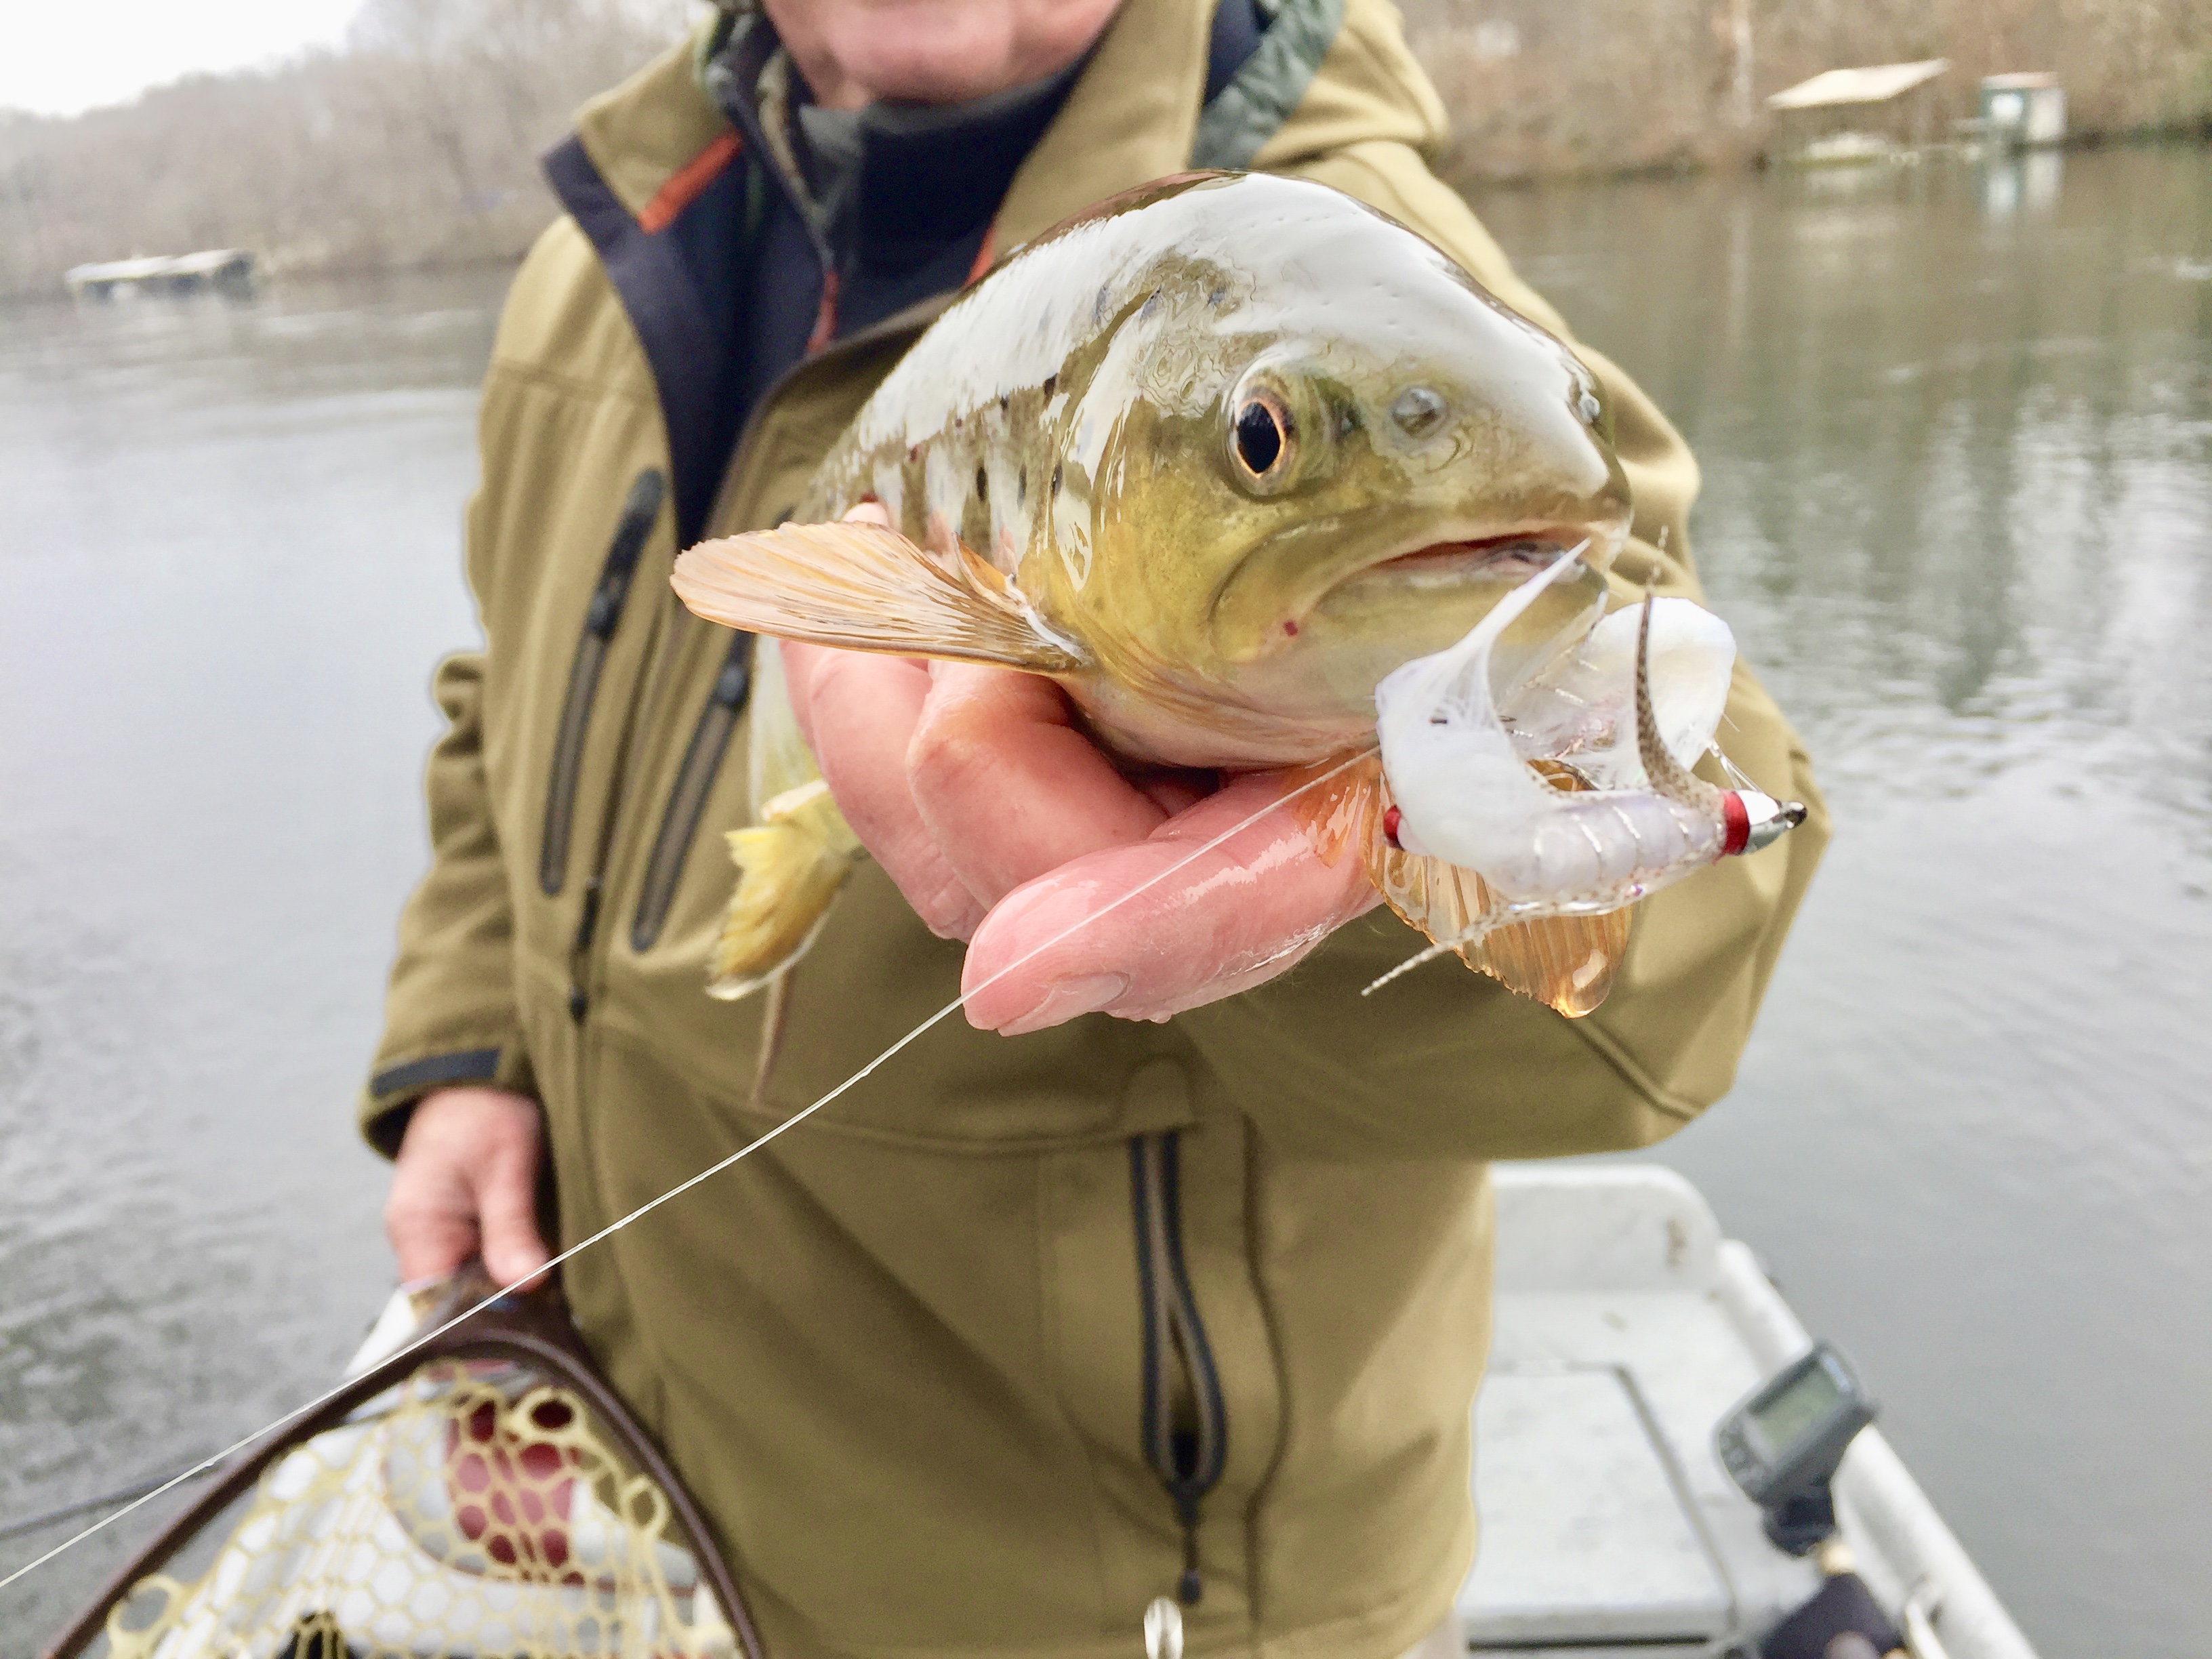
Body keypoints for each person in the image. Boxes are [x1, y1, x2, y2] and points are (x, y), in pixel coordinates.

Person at [365, 0, 1827, 1654]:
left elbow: (1694, 927)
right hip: (657, 1488)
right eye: (1273, 445)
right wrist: (473, 1049)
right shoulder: (604, 249)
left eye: (1259, 444)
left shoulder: (1370, 272)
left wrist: (1386, 844)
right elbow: (505, 684)